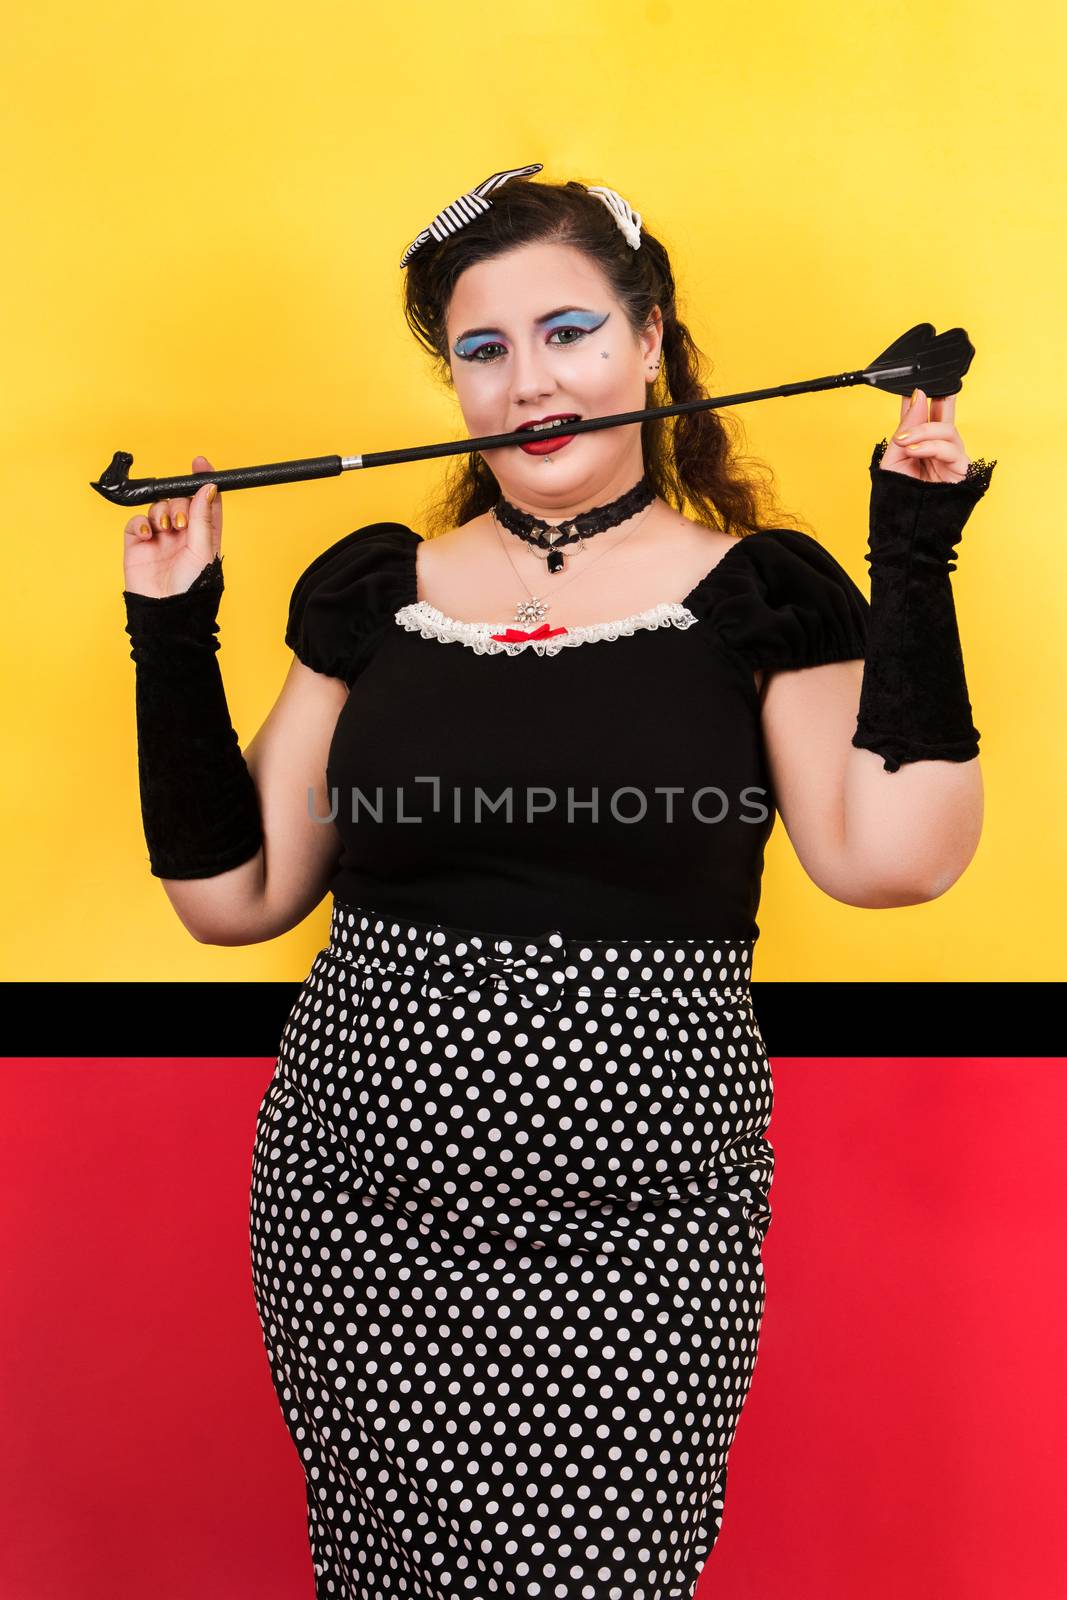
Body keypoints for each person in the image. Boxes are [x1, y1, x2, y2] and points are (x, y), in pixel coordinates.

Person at [120, 165, 996, 1600]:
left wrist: (915, 558)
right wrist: (170, 639)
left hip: (642, 1227)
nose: (534, 381)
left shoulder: (755, 595)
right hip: (354, 1216)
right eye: (485, 348)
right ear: (454, 381)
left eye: (571, 332)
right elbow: (239, 897)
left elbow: (896, 860)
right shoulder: (376, 593)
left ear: (650, 340)